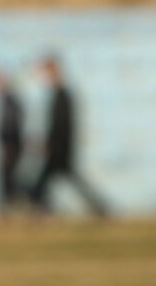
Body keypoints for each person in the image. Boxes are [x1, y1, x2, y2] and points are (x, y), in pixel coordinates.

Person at [28, 54, 109, 217]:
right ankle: (99, 208)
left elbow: (62, 125)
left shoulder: (62, 95)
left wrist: (51, 143)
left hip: (59, 150)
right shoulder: (59, 94)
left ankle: (45, 211)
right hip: (59, 148)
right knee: (58, 182)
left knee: (41, 184)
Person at [0, 68, 24, 215]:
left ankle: (10, 206)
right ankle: (9, 206)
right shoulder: (6, 101)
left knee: (8, 178)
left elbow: (12, 125)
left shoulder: (10, 102)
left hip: (10, 145)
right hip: (8, 145)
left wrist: (9, 144)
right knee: (7, 177)